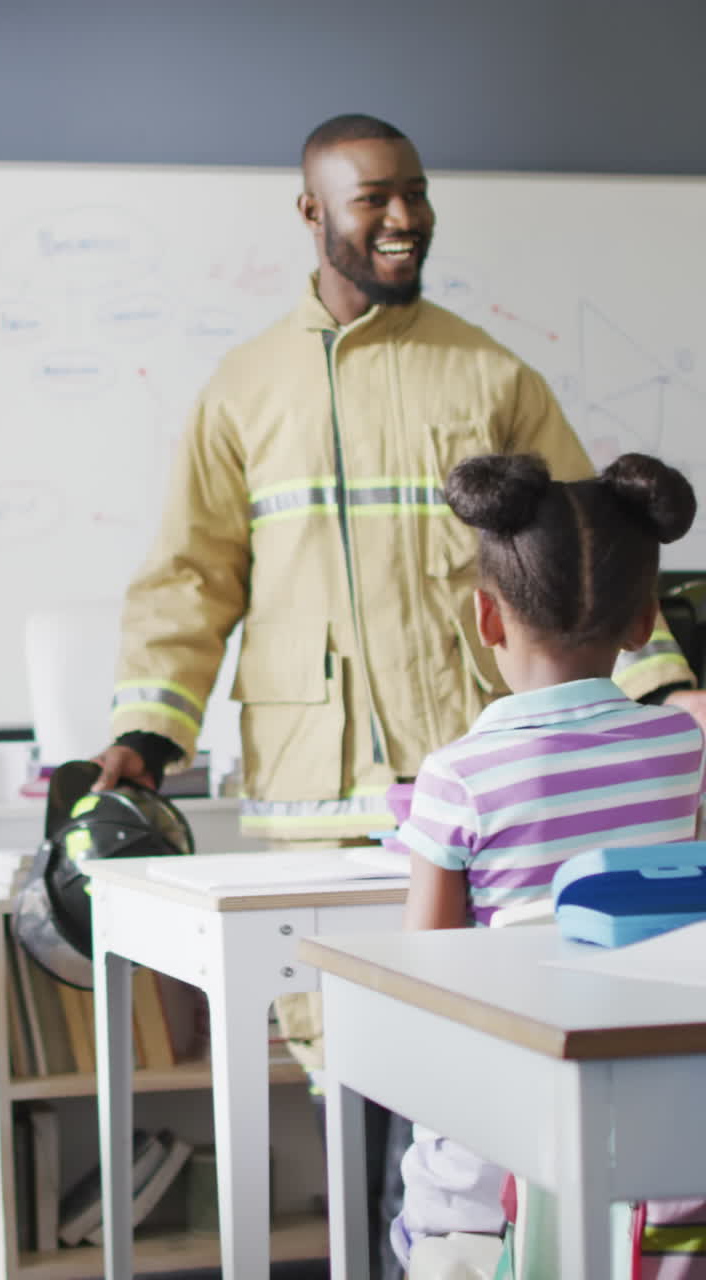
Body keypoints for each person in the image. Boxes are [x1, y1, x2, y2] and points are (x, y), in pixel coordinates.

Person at [87, 114, 701, 1278]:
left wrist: (669, 683)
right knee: (364, 1082)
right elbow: (189, 576)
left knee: (475, 1084)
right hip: (309, 811)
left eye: (415, 192)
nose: (406, 215)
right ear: (312, 211)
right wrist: (144, 730)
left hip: (481, 800)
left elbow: (590, 552)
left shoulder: (488, 371)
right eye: (374, 197)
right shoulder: (242, 392)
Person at [389, 450, 706, 1276]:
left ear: (486, 619)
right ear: (645, 623)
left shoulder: (456, 776)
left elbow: (429, 976)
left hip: (499, 1157)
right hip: (660, 1144)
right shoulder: (684, 749)